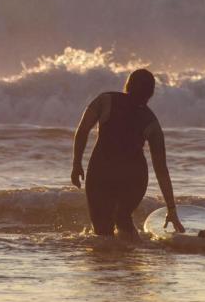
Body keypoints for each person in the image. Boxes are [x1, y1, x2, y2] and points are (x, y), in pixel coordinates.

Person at [71, 68, 183, 238]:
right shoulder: (151, 122)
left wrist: (77, 163)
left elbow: (83, 130)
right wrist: (171, 209)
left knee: (102, 230)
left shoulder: (105, 100)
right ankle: (132, 253)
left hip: (101, 171)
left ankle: (113, 259)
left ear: (128, 84)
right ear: (151, 93)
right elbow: (161, 169)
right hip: (134, 178)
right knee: (122, 218)